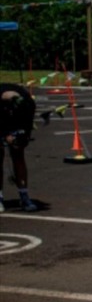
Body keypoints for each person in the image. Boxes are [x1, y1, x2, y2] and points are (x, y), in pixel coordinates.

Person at [0, 83, 38, 212]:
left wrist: (21, 137)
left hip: (18, 122)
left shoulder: (28, 104)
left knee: (18, 154)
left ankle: (24, 195)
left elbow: (27, 127)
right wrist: (5, 135)